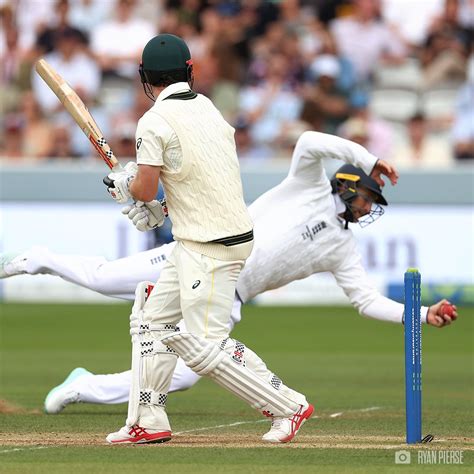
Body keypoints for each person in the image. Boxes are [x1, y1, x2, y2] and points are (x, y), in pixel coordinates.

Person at [1, 132, 457, 418]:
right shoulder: (307, 184)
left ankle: (84, 386)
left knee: (181, 377)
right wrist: (369, 156)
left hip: (229, 296)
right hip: (197, 258)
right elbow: (309, 143)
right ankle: (40, 258)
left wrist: (420, 315)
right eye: (368, 200)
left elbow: (365, 300)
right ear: (352, 185)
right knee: (103, 280)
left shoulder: (342, 246)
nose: (369, 210)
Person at [101, 33, 312, 445]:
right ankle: (150, 418)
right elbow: (197, 178)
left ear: (146, 78)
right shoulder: (208, 108)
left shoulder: (154, 120)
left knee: (204, 346)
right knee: (151, 321)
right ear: (189, 71)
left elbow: (145, 188)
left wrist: (128, 187)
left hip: (210, 246)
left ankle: (288, 405)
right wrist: (160, 209)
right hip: (206, 237)